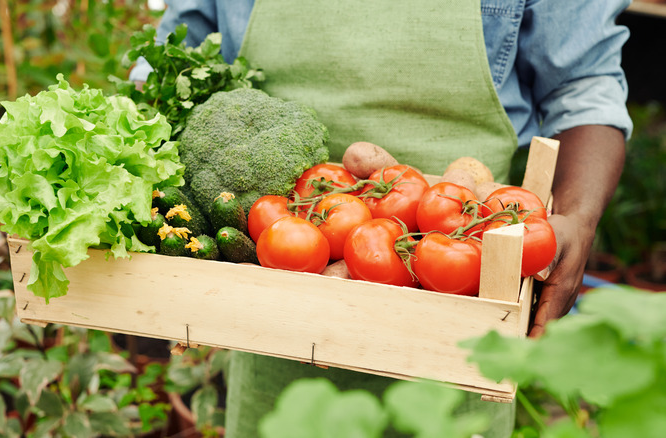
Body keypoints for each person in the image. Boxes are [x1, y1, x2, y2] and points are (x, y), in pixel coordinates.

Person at [131, 1, 633, 436]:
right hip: (275, 288)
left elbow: (584, 84)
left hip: (465, 280)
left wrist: (579, 218)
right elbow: (175, 53)